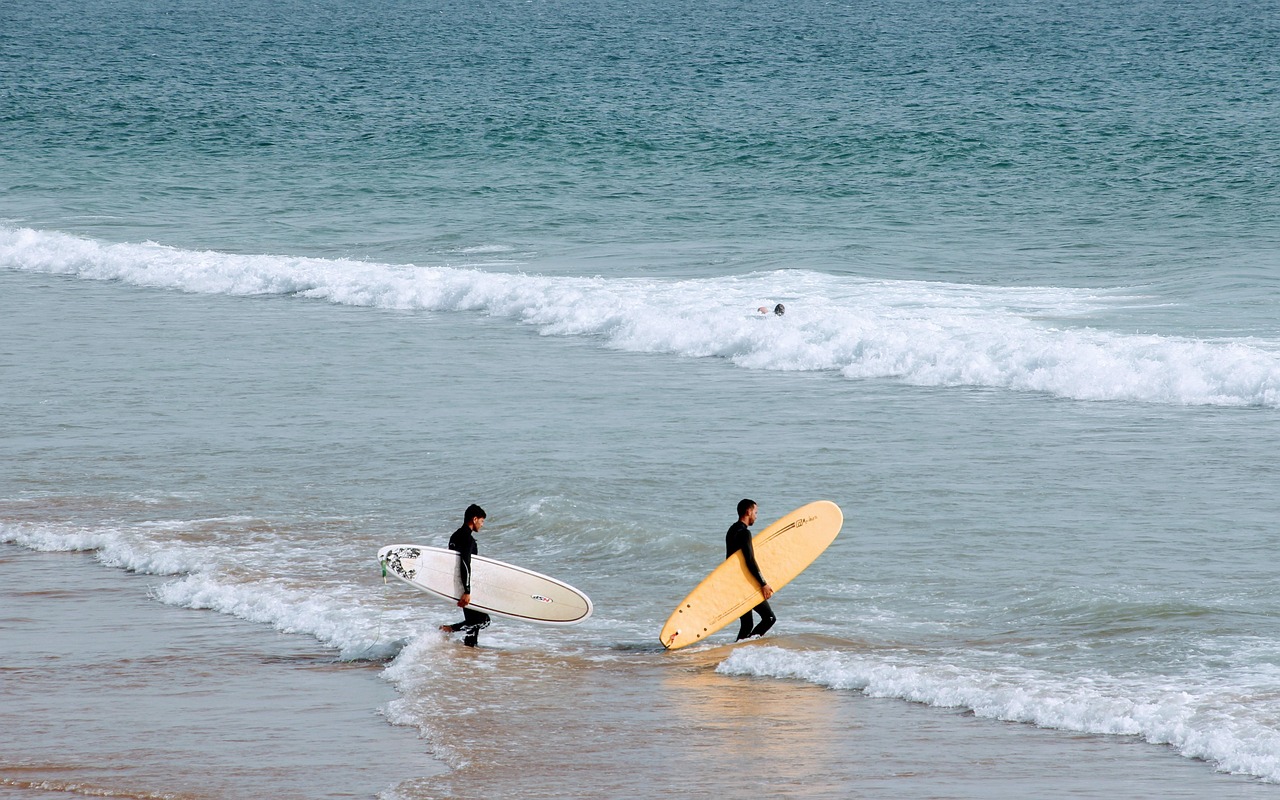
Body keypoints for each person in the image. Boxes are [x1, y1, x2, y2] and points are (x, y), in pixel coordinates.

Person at [438, 504, 491, 647]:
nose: (482, 525)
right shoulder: (468, 539)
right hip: (465, 585)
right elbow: (465, 564)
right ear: (474, 519)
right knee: (482, 621)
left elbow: (452, 564)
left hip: (458, 583)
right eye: (482, 521)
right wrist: (467, 590)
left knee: (473, 623)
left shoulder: (455, 536)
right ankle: (449, 629)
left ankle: (469, 651)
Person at [726, 498, 776, 641]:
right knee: (769, 618)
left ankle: (738, 648)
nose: (756, 516)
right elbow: (749, 560)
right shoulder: (744, 533)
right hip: (744, 585)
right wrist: (763, 583)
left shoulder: (732, 530)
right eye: (755, 512)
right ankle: (747, 647)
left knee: (747, 624)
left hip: (734, 582)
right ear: (748, 512)